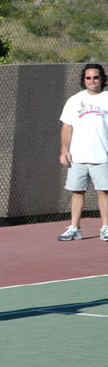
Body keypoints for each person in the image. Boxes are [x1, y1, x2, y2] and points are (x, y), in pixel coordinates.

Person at [58, 63, 108, 241]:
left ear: (102, 79)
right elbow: (66, 126)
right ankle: (74, 228)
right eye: (88, 78)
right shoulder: (74, 100)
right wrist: (64, 150)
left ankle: (106, 227)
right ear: (83, 80)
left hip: (102, 155)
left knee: (104, 191)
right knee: (77, 191)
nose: (92, 81)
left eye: (96, 77)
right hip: (78, 156)